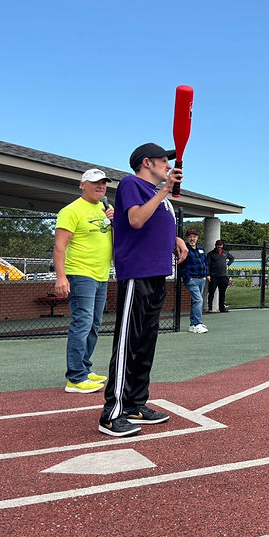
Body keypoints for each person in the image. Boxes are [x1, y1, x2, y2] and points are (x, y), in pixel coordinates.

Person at [99, 143, 188, 437]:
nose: (168, 165)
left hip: (157, 273)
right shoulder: (132, 184)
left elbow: (153, 223)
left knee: (145, 343)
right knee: (128, 342)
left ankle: (136, 403)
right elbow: (136, 220)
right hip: (137, 273)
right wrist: (165, 191)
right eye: (164, 160)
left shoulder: (154, 193)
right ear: (147, 162)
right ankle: (112, 413)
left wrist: (175, 238)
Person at [54, 168, 114, 394]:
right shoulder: (71, 211)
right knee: (82, 323)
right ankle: (75, 378)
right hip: (80, 274)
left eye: (103, 184)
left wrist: (115, 222)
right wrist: (61, 277)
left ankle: (85, 369)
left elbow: (115, 241)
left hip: (101, 275)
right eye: (95, 183)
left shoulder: (106, 209)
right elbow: (60, 246)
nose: (100, 187)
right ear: (82, 184)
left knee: (94, 325)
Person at [179, 228, 209, 333]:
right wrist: (188, 277)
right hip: (191, 279)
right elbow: (181, 265)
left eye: (194, 237)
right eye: (190, 237)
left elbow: (205, 262)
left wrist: (206, 275)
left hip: (201, 279)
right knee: (199, 300)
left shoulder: (201, 249)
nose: (192, 239)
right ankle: (198, 323)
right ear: (187, 238)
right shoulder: (185, 250)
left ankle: (192, 325)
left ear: (197, 238)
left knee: (195, 302)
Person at [206, 239, 235, 312]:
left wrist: (228, 265)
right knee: (211, 292)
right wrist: (208, 275)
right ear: (216, 245)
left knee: (222, 293)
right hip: (214, 276)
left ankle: (222, 307)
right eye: (218, 245)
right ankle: (210, 308)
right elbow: (207, 265)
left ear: (222, 245)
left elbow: (232, 258)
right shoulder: (211, 254)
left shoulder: (225, 253)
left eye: (220, 245)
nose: (219, 246)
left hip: (223, 276)